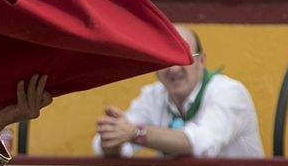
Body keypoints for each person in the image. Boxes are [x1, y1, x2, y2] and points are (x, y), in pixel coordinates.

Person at [95, 27, 260, 157]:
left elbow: (201, 145)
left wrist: (135, 133)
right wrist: (112, 136)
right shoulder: (152, 96)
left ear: (201, 61)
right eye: (165, 59)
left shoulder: (229, 92)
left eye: (183, 58)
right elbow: (109, 147)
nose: (174, 68)